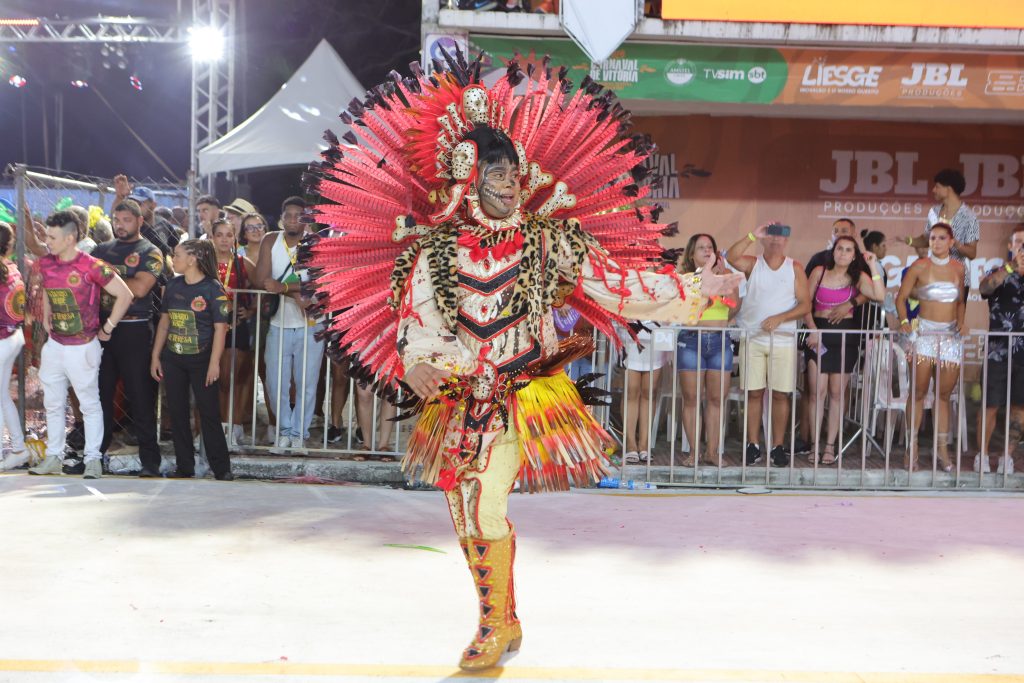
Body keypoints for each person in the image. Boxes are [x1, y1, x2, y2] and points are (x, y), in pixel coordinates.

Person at [303, 52, 740, 670]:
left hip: (517, 396)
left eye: (512, 170)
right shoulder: (433, 251)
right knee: (463, 509)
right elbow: (414, 322)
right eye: (494, 172)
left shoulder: (548, 239)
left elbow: (619, 285)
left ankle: (486, 628)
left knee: (483, 505)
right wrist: (414, 364)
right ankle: (505, 618)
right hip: (453, 403)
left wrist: (696, 290)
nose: (508, 182)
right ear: (466, 177)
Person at [28, 210, 133, 479]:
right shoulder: (47, 264)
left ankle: (93, 459)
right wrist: (48, 314)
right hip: (56, 345)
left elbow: (125, 294)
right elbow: (50, 290)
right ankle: (54, 456)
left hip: (83, 346)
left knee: (89, 403)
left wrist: (107, 328)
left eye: (52, 236)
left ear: (70, 238)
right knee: (53, 403)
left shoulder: (91, 265)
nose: (47, 241)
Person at [726, 222, 811, 467]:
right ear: (763, 240)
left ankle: (777, 446)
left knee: (781, 395)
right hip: (753, 337)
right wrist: (753, 234)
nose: (775, 240)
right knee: (753, 393)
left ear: (787, 241)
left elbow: (805, 305)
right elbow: (731, 257)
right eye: (770, 236)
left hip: (783, 340)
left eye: (780, 237)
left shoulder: (794, 267)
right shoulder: (753, 264)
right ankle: (753, 445)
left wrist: (781, 318)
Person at [91, 200, 165, 477]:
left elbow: (140, 288)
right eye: (116, 219)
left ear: (139, 222)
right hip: (101, 330)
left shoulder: (150, 251)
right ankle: (94, 456)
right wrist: (119, 286)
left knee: (141, 397)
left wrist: (105, 285)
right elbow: (91, 284)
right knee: (100, 396)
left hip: (135, 330)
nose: (120, 224)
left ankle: (150, 462)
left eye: (126, 220)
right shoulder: (101, 250)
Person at [150, 239, 233, 480]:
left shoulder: (213, 289)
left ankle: (222, 468)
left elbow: (220, 329)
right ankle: (184, 466)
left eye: (177, 254)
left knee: (208, 413)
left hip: (202, 358)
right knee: (177, 412)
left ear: (192, 259)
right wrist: (156, 355)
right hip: (173, 358)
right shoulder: (173, 286)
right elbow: (164, 323)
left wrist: (214, 363)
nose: (172, 259)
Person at [803, 237, 885, 465]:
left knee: (837, 393)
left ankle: (830, 446)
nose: (843, 253)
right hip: (819, 335)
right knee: (816, 393)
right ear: (834, 250)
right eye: (840, 248)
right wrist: (812, 330)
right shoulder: (819, 271)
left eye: (849, 250)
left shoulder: (858, 277)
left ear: (854, 255)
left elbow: (879, 295)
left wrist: (872, 266)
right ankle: (814, 446)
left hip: (845, 337)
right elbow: (804, 304)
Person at [254, 196, 324, 455]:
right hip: (279, 322)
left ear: (307, 220)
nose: (293, 220)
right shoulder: (270, 240)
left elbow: (321, 283)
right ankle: (283, 432)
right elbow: (262, 280)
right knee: (275, 382)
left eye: (299, 215)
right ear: (282, 218)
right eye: (289, 215)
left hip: (311, 323)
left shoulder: (316, 243)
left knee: (306, 382)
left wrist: (283, 287)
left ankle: (299, 435)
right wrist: (295, 293)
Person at [895, 223, 966, 472]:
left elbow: (960, 301)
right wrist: (904, 322)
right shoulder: (919, 266)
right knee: (917, 393)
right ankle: (911, 447)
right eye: (932, 238)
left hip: (950, 339)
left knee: (944, 397)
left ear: (951, 241)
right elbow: (900, 298)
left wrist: (962, 323)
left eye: (941, 238)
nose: (936, 242)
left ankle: (942, 451)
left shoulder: (959, 268)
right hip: (923, 335)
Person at [676, 233, 739, 467]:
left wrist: (722, 278)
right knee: (691, 398)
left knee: (716, 399)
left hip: (719, 341)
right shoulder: (686, 278)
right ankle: (694, 452)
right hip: (691, 339)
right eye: (701, 248)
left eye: (710, 247)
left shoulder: (727, 277)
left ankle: (713, 452)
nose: (706, 251)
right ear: (692, 255)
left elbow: (734, 308)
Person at [974, 224, 1024, 475]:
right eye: (1019, 243)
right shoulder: (1000, 271)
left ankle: (1007, 457)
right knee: (990, 404)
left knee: (1019, 407)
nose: (1022, 248)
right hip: (998, 350)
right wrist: (1010, 267)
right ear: (1011, 246)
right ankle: (982, 456)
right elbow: (984, 289)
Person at [211, 218, 256, 449]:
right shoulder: (203, 262)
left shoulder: (241, 263)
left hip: (235, 325)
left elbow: (263, 287)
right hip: (209, 327)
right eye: (219, 234)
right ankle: (214, 429)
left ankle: (232, 427)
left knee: (232, 379)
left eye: (228, 235)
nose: (224, 239)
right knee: (214, 381)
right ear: (212, 237)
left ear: (234, 238)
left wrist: (249, 311)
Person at [907, 169, 980, 285]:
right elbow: (926, 239)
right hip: (932, 275)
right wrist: (907, 240)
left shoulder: (969, 217)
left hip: (957, 278)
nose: (933, 190)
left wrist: (953, 242)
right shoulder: (933, 212)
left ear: (948, 189)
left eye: (937, 186)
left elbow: (972, 253)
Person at [618, 321, 670, 464]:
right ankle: (630, 444)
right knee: (631, 391)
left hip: (656, 334)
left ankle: (644, 445)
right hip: (629, 334)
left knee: (649, 391)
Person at [0, 222, 29, 470]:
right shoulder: (13, 267)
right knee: (2, 396)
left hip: (3, 339)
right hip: (13, 336)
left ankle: (17, 449)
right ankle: (17, 448)